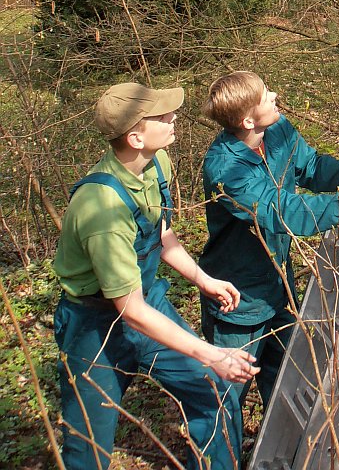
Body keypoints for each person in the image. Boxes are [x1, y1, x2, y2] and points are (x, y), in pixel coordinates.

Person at [52, 82, 258, 470]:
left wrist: (204, 280)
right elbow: (129, 311)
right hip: (95, 329)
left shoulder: (156, 163)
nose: (173, 117)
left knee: (212, 392)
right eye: (162, 117)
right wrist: (213, 354)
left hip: (147, 301)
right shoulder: (102, 208)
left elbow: (160, 234)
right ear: (135, 137)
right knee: (88, 449)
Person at [198, 70, 339, 409]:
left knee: (284, 382)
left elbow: (311, 167)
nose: (274, 95)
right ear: (248, 120)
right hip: (238, 298)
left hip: (278, 286)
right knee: (225, 400)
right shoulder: (225, 169)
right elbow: (282, 211)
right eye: (265, 95)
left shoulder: (276, 130)